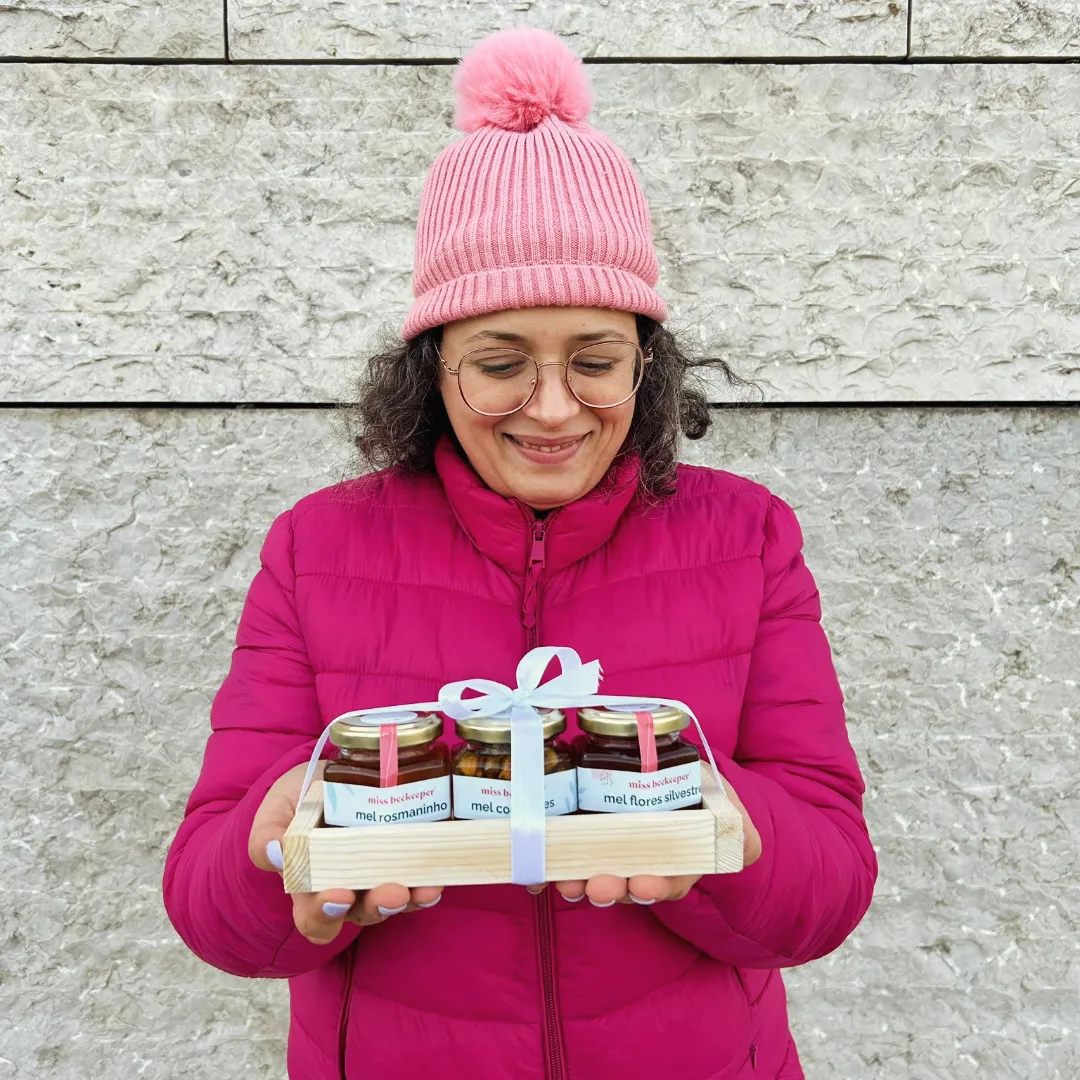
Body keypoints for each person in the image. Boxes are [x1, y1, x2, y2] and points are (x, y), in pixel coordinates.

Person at [163, 26, 877, 1080]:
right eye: (500, 363)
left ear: (651, 364)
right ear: (430, 368)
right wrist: (282, 852)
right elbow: (210, 911)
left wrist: (719, 832)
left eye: (596, 360)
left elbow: (830, 889)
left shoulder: (747, 539)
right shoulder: (317, 550)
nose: (552, 408)